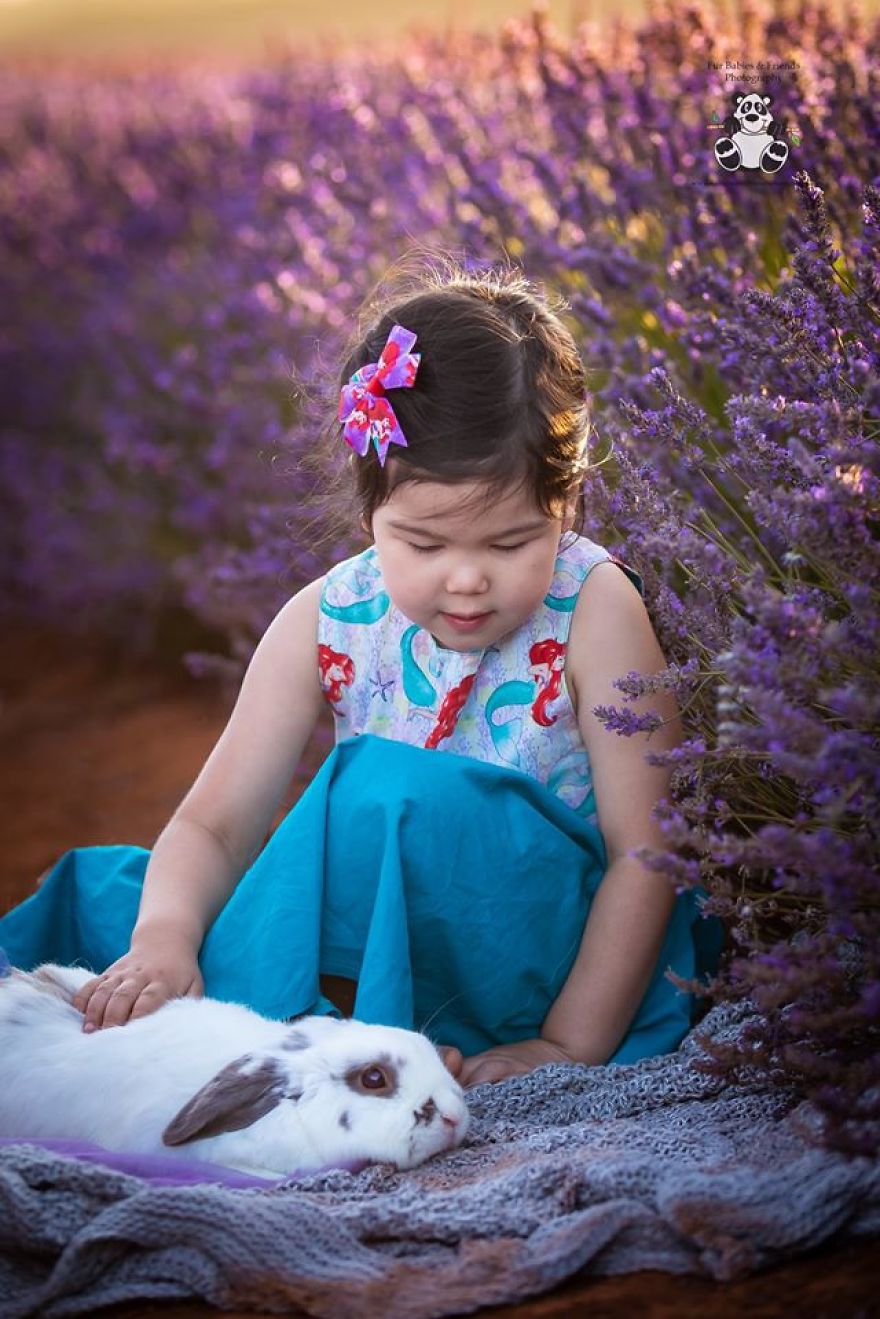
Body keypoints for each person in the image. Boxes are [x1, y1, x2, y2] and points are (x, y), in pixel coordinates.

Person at [0, 263, 723, 1089]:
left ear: (565, 504)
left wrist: (566, 1044)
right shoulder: (330, 616)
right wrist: (164, 935)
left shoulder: (594, 608)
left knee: (386, 794)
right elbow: (216, 825)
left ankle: (295, 1018)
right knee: (129, 898)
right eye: (424, 543)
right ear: (369, 510)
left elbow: (648, 849)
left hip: (549, 954)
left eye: (511, 542)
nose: (466, 579)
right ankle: (326, 1017)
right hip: (406, 942)